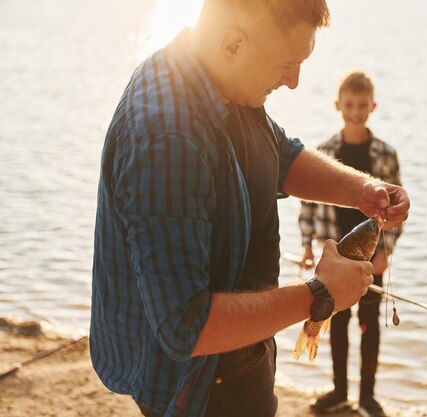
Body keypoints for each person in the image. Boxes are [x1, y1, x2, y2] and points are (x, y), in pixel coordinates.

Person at [90, 1, 410, 417]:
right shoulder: (165, 138)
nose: (294, 82)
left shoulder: (222, 77)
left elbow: (278, 152)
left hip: (247, 359)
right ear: (233, 44)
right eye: (286, 64)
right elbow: (185, 324)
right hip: (201, 389)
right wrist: (319, 294)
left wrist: (363, 190)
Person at [298, 71, 402, 417]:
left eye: (362, 105)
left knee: (370, 323)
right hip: (335, 254)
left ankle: (368, 396)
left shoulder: (386, 154)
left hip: (372, 256)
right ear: (337, 106)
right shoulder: (326, 152)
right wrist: (308, 246)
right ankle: (339, 390)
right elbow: (308, 205)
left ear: (372, 106)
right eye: (348, 105)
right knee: (336, 321)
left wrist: (387, 250)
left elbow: (396, 210)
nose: (355, 112)